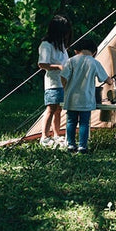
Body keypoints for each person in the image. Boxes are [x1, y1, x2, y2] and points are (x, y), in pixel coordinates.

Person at [61, 37, 112, 153]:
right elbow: (105, 78)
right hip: (86, 98)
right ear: (94, 52)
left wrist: (66, 89)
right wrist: (111, 81)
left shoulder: (71, 61)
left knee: (71, 121)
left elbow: (63, 77)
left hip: (71, 98)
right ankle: (82, 146)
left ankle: (70, 145)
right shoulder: (94, 62)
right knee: (84, 123)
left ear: (76, 50)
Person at [38, 15, 72, 148]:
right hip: (53, 82)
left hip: (63, 82)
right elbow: (42, 64)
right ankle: (44, 136)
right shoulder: (46, 44)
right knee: (51, 108)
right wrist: (58, 67)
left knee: (59, 109)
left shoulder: (61, 45)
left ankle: (57, 134)